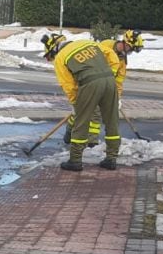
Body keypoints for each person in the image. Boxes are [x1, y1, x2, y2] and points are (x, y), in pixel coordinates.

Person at [43, 32, 121, 171]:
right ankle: (111, 159)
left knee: (81, 121)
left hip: (89, 83)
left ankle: (75, 161)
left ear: (54, 49)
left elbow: (68, 85)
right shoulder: (87, 43)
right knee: (112, 121)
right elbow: (112, 55)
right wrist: (111, 74)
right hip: (110, 81)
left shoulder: (61, 57)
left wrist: (75, 104)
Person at [65, 29, 143, 152]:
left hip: (106, 88)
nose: (130, 52)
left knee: (95, 114)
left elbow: (118, 81)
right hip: (89, 83)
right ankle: (70, 132)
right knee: (82, 111)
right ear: (125, 43)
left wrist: (117, 97)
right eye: (131, 49)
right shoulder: (105, 46)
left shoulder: (122, 62)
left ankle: (91, 141)